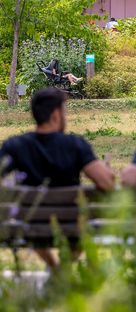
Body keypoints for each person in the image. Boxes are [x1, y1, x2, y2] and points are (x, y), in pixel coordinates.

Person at [0, 88, 115, 267]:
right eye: (65, 112)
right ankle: (63, 269)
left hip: (31, 226)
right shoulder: (75, 145)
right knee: (85, 224)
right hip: (71, 227)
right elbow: (106, 183)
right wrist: (107, 171)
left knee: (32, 222)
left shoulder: (14, 146)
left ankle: (54, 268)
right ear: (55, 114)